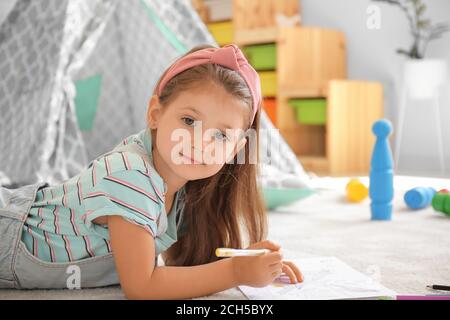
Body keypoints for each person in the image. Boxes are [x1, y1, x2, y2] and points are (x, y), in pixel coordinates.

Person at [0, 44, 302, 299]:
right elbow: (142, 286)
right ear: (155, 114)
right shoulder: (132, 176)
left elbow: (179, 268)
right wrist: (235, 272)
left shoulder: (183, 186)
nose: (199, 143)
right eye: (188, 121)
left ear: (236, 149)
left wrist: (250, 261)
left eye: (221, 136)